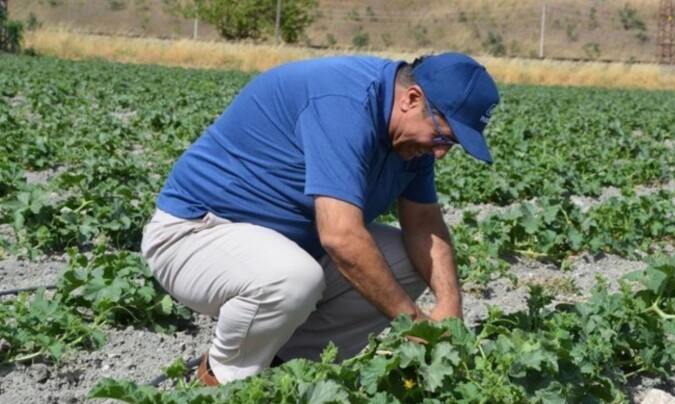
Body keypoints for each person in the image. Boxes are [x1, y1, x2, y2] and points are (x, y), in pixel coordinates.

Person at [140, 51, 500, 385]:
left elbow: (424, 225)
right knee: (292, 277)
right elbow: (340, 237)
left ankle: (282, 367)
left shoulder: (411, 139)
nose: (439, 153)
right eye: (441, 137)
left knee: (406, 261)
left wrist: (450, 310)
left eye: (449, 144)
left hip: (289, 247)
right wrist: (414, 325)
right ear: (411, 99)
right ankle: (220, 378)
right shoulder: (343, 104)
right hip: (195, 234)